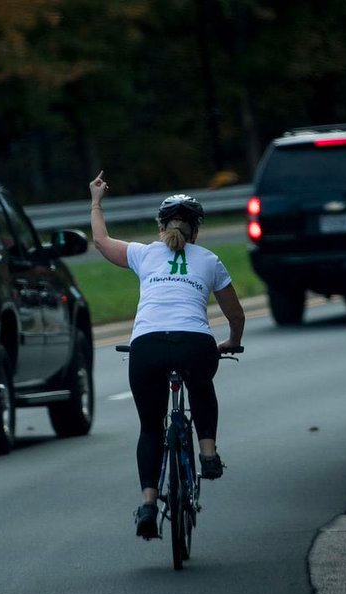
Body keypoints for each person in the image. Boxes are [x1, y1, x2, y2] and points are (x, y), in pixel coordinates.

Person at [88, 171, 246, 540]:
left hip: (147, 346)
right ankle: (208, 453)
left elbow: (100, 241)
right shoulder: (209, 259)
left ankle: (147, 504)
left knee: (150, 427)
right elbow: (235, 315)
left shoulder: (144, 254)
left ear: (161, 227)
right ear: (196, 231)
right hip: (195, 343)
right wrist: (231, 341)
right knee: (201, 385)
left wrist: (96, 201)